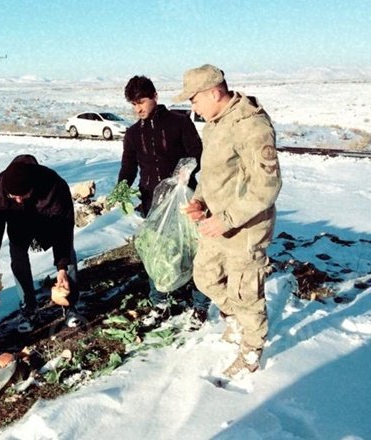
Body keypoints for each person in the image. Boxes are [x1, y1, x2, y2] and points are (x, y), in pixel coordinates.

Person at [177, 64, 282, 378]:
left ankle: (252, 347)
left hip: (245, 227)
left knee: (246, 291)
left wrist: (227, 219)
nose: (191, 106)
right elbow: (213, 175)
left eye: (194, 99)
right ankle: (238, 319)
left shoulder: (251, 125)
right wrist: (199, 200)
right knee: (205, 276)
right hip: (217, 221)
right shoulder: (214, 124)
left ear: (214, 93)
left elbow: (267, 186)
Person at [118, 75, 208, 318]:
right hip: (152, 202)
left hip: (184, 198)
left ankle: (199, 302)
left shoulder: (178, 123)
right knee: (157, 250)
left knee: (193, 248)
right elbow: (128, 166)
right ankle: (160, 299)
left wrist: (185, 171)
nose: (138, 108)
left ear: (155, 97)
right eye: (133, 104)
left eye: (142, 101)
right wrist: (122, 189)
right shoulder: (133, 133)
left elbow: (198, 154)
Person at [0, 155, 83, 333]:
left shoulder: (54, 186)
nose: (19, 199)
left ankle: (70, 304)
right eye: (14, 196)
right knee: (17, 256)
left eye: (24, 195)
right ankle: (29, 309)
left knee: (67, 256)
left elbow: (64, 230)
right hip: (19, 226)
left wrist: (61, 268)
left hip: (50, 224)